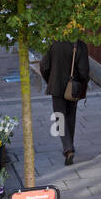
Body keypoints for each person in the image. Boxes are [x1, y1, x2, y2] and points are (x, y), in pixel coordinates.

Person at [40, 34, 89, 165]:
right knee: (71, 116)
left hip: (56, 87)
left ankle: (68, 148)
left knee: (60, 117)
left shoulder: (54, 43)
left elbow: (44, 66)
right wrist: (82, 85)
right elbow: (84, 71)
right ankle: (69, 145)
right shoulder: (80, 45)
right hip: (73, 88)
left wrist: (50, 81)